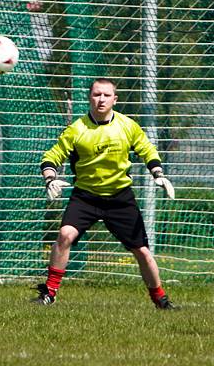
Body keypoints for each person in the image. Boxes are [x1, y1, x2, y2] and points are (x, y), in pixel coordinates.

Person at [34, 78, 177, 309]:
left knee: (142, 251)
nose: (101, 99)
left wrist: (158, 173)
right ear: (90, 97)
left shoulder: (127, 126)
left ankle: (160, 299)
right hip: (85, 196)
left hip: (119, 197)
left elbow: (147, 149)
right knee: (64, 236)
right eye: (97, 94)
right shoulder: (76, 130)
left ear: (114, 99)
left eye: (106, 95)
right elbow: (52, 156)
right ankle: (49, 293)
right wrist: (49, 178)